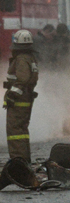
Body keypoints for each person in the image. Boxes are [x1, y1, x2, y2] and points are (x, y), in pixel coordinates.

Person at [3, 30, 39, 163]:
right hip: (25, 98)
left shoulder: (22, 58)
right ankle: (23, 158)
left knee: (14, 130)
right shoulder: (30, 57)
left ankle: (18, 160)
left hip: (19, 100)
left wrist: (12, 95)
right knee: (21, 129)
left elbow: (22, 79)